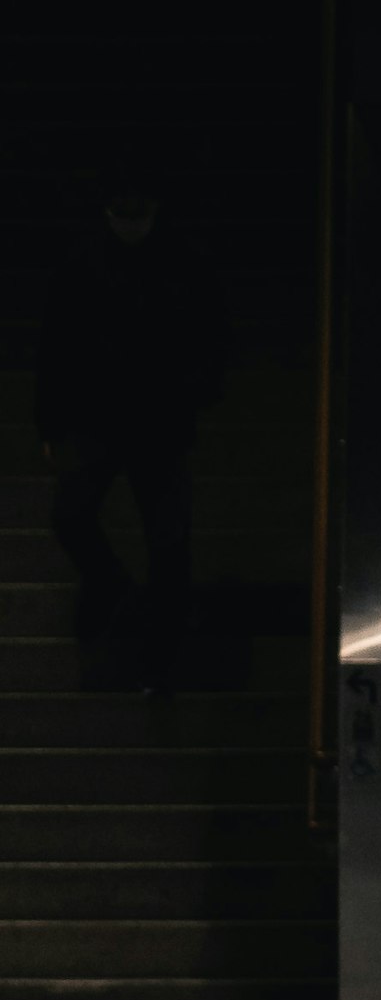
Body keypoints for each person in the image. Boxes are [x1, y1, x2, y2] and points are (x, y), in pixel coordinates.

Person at [39, 158, 226, 694]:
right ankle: (121, 596)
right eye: (123, 208)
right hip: (104, 417)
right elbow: (55, 344)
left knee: (167, 541)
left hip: (153, 421)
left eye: (136, 208)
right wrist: (51, 420)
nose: (130, 218)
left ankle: (156, 647)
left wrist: (193, 393)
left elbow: (211, 336)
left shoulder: (180, 263)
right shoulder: (87, 263)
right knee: (78, 517)